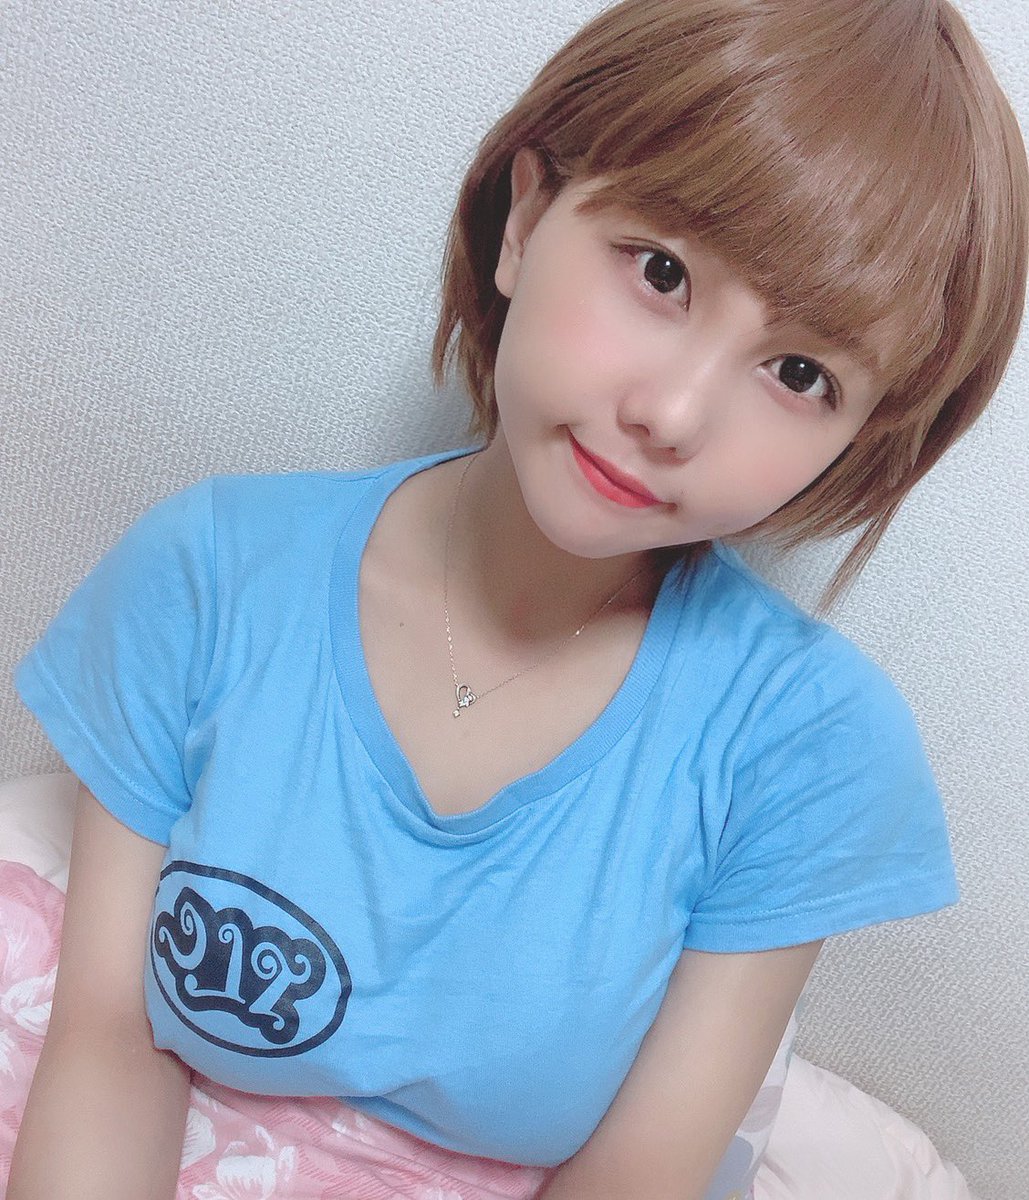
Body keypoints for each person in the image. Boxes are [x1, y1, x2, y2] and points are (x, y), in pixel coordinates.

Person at [6, 0, 1027, 1197]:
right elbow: (113, 1043)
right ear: (526, 219)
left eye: (800, 373)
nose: (674, 414)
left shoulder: (805, 747)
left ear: (858, 442)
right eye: (662, 273)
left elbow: (635, 1180)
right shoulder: (210, 577)